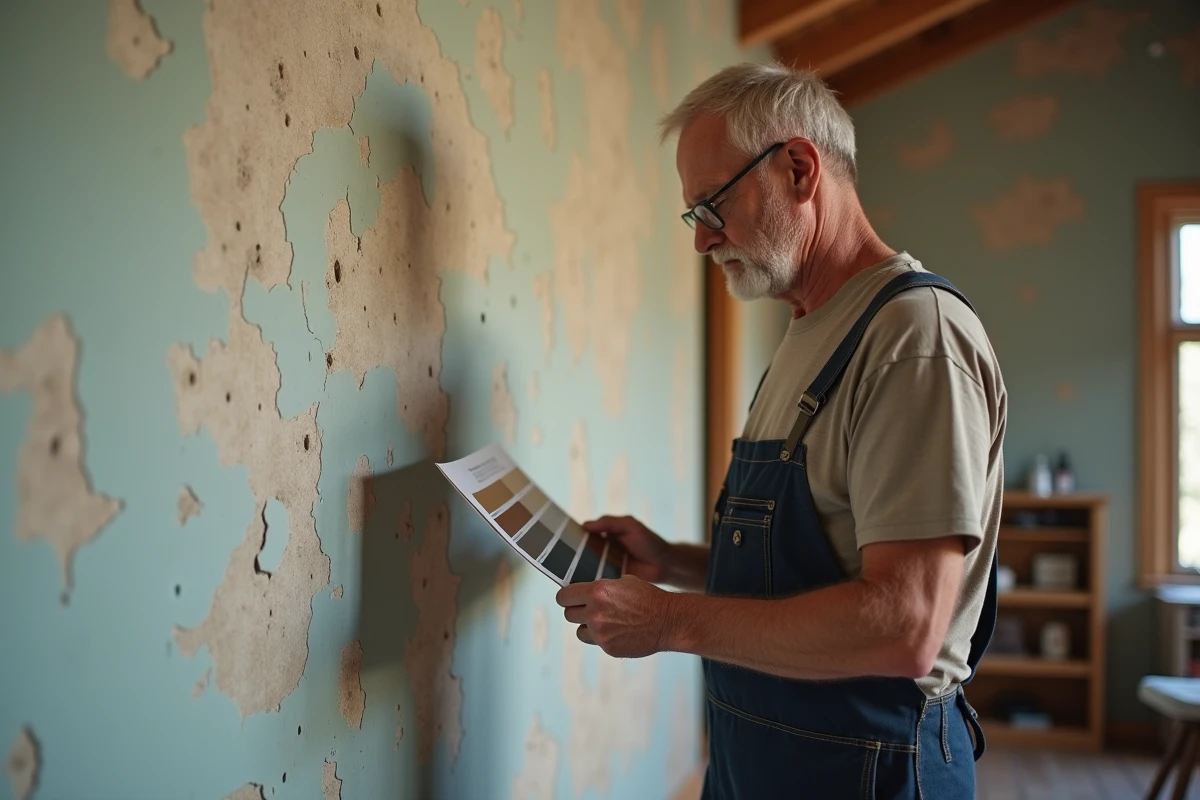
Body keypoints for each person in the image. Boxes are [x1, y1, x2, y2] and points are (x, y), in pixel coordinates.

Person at [555, 61, 1007, 798]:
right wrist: (672, 562)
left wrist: (672, 621)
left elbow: (904, 625)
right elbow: (813, 569)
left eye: (713, 205)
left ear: (799, 168)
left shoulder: (912, 337)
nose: (703, 241)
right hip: (762, 757)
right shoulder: (809, 331)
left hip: (868, 767)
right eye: (694, 216)